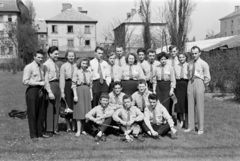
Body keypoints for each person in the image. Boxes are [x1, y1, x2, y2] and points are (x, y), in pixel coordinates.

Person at [22, 50, 50, 141]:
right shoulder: (29, 67)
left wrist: (48, 90)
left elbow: (46, 80)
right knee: (32, 113)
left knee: (41, 113)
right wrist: (38, 83)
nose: (41, 59)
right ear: (34, 57)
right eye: (39, 57)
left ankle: (40, 133)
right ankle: (33, 135)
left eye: (42, 57)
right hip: (32, 91)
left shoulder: (44, 67)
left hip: (42, 90)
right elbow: (25, 81)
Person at [184, 46, 211, 135]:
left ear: (199, 53)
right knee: (190, 105)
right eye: (192, 53)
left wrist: (203, 85)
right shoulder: (189, 63)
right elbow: (188, 73)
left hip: (199, 83)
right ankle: (191, 126)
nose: (194, 55)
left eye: (196, 53)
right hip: (190, 83)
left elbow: (207, 77)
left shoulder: (204, 64)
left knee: (200, 106)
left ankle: (200, 128)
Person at [72, 58, 93, 137]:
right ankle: (78, 130)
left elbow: (91, 85)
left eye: (86, 63)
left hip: (87, 91)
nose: (84, 65)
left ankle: (83, 129)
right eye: (83, 63)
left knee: (85, 111)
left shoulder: (89, 72)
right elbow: (73, 84)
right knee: (79, 111)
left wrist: (91, 95)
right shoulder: (76, 71)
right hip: (79, 90)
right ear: (80, 63)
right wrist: (75, 95)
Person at [43, 46, 61, 135]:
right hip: (51, 85)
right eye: (55, 54)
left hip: (57, 86)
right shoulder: (46, 64)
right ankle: (49, 129)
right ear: (50, 54)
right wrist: (49, 91)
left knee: (56, 108)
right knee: (50, 108)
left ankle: (55, 128)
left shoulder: (55, 64)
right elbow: (46, 80)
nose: (57, 55)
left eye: (58, 53)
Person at [59, 50, 76, 132]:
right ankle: (68, 126)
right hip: (67, 85)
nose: (71, 57)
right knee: (67, 106)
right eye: (69, 56)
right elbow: (62, 79)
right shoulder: (63, 66)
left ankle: (74, 125)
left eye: (72, 56)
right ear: (66, 57)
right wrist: (62, 91)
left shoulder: (77, 65)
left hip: (75, 86)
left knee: (74, 106)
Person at [174, 53, 189, 129]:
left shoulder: (189, 65)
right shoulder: (175, 66)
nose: (181, 58)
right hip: (178, 85)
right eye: (180, 57)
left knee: (186, 103)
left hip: (186, 84)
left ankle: (186, 120)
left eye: (183, 57)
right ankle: (180, 121)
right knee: (179, 103)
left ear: (186, 57)